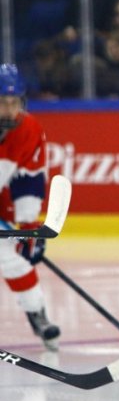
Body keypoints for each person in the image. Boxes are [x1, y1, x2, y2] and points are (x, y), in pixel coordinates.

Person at [0, 64, 60, 351]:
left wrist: (27, 228)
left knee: (10, 257)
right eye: (3, 103)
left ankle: (37, 313)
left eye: (14, 103)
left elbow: (29, 181)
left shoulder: (28, 129)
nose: (10, 110)